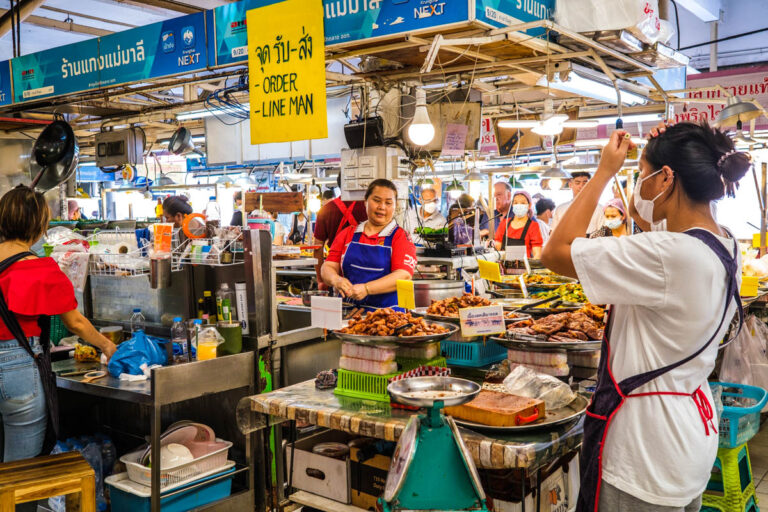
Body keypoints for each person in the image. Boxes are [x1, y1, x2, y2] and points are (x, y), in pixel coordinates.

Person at [541, 123, 751, 512]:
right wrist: (647, 189)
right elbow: (651, 226)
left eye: (641, 174)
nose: (637, 183)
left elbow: (554, 252)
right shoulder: (724, 244)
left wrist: (605, 171)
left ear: (666, 177)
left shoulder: (667, 254)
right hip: (687, 434)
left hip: (643, 452)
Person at [0, 186, 117, 462]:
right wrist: (107, 345)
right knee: (22, 475)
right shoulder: (40, 268)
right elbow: (75, 323)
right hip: (19, 369)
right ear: (39, 226)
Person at [321, 179, 416, 309]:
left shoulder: (401, 237)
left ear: (395, 206)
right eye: (376, 200)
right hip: (348, 313)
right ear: (365, 201)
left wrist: (367, 289)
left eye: (388, 203)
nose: (382, 207)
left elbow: (403, 275)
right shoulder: (347, 234)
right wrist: (336, 280)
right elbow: (327, 267)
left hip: (389, 316)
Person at [313, 183, 368, 290]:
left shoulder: (325, 209)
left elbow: (317, 248)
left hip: (334, 270)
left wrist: (321, 280)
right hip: (363, 269)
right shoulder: (367, 208)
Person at [493, 190, 543, 258]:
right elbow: (497, 249)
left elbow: (537, 254)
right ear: (512, 205)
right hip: (504, 266)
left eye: (523, 203)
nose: (519, 205)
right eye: (516, 203)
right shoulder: (504, 223)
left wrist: (531, 265)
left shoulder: (533, 226)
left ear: (529, 205)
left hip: (524, 266)